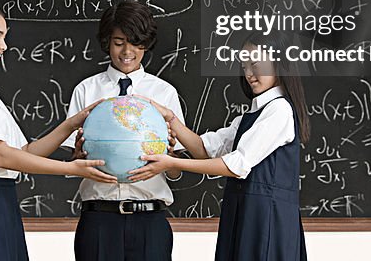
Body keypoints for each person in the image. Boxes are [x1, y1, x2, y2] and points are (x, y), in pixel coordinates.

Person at [0, 0, 118, 261]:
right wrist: (70, 169)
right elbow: (2, 156)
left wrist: (72, 123)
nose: (3, 46)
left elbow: (25, 151)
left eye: (4, 37)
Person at [130, 35, 310, 261]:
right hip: (245, 214)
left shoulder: (279, 110)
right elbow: (205, 150)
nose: (249, 74)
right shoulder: (253, 113)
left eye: (255, 64)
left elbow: (237, 165)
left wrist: (172, 162)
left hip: (267, 220)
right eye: (244, 66)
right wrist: (171, 118)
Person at [63, 0, 186, 261]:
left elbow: (176, 171)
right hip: (98, 219)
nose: (127, 51)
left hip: (150, 221)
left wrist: (169, 159)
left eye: (135, 42)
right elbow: (73, 165)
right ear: (107, 41)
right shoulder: (86, 90)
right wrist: (77, 158)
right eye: (119, 42)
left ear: (146, 43)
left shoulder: (164, 93)